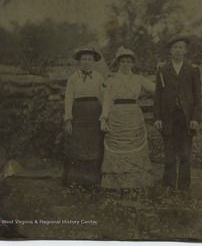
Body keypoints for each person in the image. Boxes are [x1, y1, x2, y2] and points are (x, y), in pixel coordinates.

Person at [100, 47, 155, 190]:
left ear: (132, 63)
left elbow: (157, 89)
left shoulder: (139, 79)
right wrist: (104, 118)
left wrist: (161, 71)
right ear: (118, 63)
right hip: (116, 116)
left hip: (133, 117)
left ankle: (136, 184)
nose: (125, 64)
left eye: (128, 61)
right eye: (122, 61)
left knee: (133, 148)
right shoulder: (111, 80)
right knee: (117, 146)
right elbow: (106, 99)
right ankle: (116, 185)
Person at [153, 34, 201, 191]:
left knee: (186, 155)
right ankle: (168, 186)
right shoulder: (162, 70)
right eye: (175, 47)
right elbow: (158, 97)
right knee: (169, 155)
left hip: (186, 118)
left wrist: (196, 118)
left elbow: (197, 97)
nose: (178, 50)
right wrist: (157, 117)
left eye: (181, 47)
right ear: (170, 51)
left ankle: (183, 188)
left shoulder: (193, 70)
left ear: (185, 50)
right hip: (169, 117)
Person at [63, 46, 105, 188]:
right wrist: (68, 120)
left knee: (94, 146)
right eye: (84, 59)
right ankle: (77, 182)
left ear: (93, 61)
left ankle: (93, 182)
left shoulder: (99, 77)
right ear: (79, 61)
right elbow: (68, 99)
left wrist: (104, 116)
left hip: (95, 115)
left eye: (89, 59)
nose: (86, 62)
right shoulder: (73, 78)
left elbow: (104, 98)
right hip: (79, 115)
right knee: (78, 148)